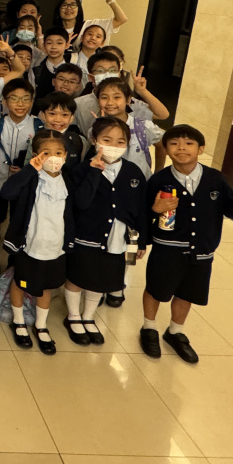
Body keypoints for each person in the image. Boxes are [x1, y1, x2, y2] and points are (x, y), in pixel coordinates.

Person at [141, 124, 233, 363]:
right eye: (174, 144)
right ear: (166, 149)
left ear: (201, 149)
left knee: (188, 291)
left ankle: (175, 332)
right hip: (166, 248)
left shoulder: (215, 178)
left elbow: (229, 210)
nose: (181, 148)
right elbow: (142, 214)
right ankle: (148, 327)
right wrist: (154, 210)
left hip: (201, 250)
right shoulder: (159, 180)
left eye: (189, 143)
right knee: (156, 288)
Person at [64, 117, 146, 345]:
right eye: (107, 140)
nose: (113, 146)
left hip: (116, 238)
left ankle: (88, 316)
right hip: (86, 234)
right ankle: (73, 316)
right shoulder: (82, 169)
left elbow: (140, 209)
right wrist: (93, 172)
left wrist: (140, 242)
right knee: (78, 276)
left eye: (120, 142)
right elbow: (80, 202)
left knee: (101, 278)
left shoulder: (133, 172)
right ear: (94, 140)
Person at [1, 130, 76, 355]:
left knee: (46, 286)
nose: (53, 158)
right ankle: (18, 320)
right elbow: (7, 192)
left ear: (65, 155)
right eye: (46, 153)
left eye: (58, 153)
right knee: (21, 282)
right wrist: (30, 169)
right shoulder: (31, 177)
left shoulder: (68, 179)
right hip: (29, 244)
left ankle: (41, 325)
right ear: (36, 155)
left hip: (55, 246)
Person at [0, 78, 44, 274]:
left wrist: (25, 171)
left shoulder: (38, 126)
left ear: (32, 101)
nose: (20, 104)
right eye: (14, 99)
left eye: (25, 99)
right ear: (4, 102)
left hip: (25, 184)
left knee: (19, 219)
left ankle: (14, 254)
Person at [95, 78, 164, 179]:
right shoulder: (96, 129)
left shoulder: (142, 126)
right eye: (104, 97)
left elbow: (161, 144)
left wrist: (158, 172)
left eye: (116, 97)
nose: (110, 102)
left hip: (139, 182)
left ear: (128, 100)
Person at [52, 0, 128, 48]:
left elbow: (121, 19)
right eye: (64, 5)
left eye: (73, 5)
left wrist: (110, 0)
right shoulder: (54, 32)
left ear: (79, 9)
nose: (68, 8)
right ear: (58, 10)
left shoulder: (91, 26)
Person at [37, 92, 86, 169]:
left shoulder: (78, 140)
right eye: (52, 114)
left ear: (72, 117)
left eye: (64, 115)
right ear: (43, 115)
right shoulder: (36, 138)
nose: (58, 120)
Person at [31, 28, 71, 98]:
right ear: (44, 45)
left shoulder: (73, 71)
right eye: (49, 43)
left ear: (67, 45)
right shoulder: (35, 71)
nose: (54, 47)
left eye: (59, 43)